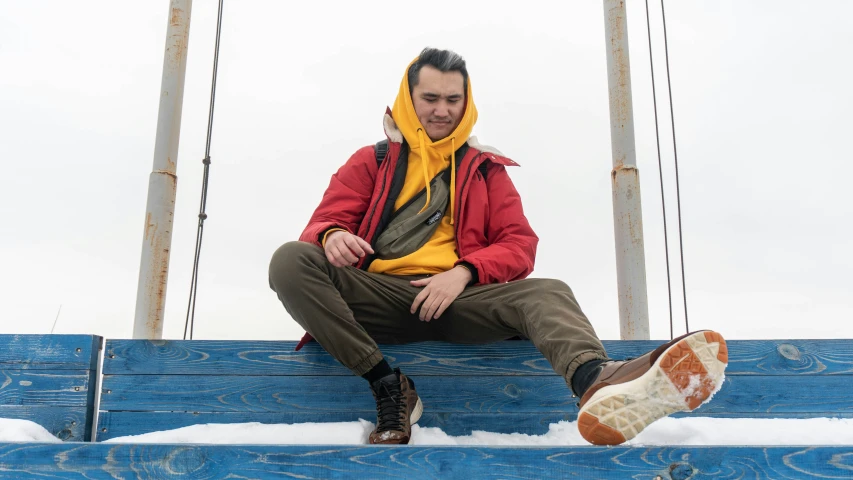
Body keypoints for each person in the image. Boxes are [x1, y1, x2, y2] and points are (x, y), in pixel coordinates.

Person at [269, 47, 727, 446]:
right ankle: (389, 385)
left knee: (548, 290)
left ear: (466, 102)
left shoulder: (487, 169)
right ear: (409, 100)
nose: (442, 110)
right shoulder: (373, 159)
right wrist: (333, 236)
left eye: (453, 99)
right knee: (290, 259)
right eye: (430, 98)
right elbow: (321, 224)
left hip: (461, 301)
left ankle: (596, 382)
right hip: (379, 298)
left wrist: (464, 272)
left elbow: (520, 245)